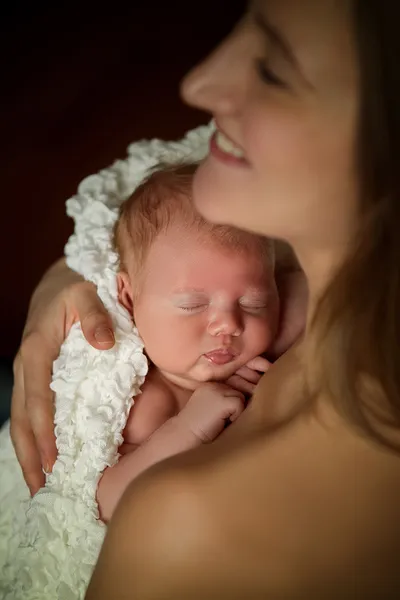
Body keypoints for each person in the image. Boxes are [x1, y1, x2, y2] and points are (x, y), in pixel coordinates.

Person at [13, 0, 400, 597]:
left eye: (274, 69)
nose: (197, 83)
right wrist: (69, 273)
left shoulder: (185, 532)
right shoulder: (156, 399)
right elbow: (153, 210)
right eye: (195, 305)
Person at [97, 163, 279, 521]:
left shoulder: (263, 361)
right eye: (192, 305)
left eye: (253, 303)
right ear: (130, 299)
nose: (228, 324)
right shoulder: (153, 399)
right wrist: (189, 426)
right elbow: (107, 502)